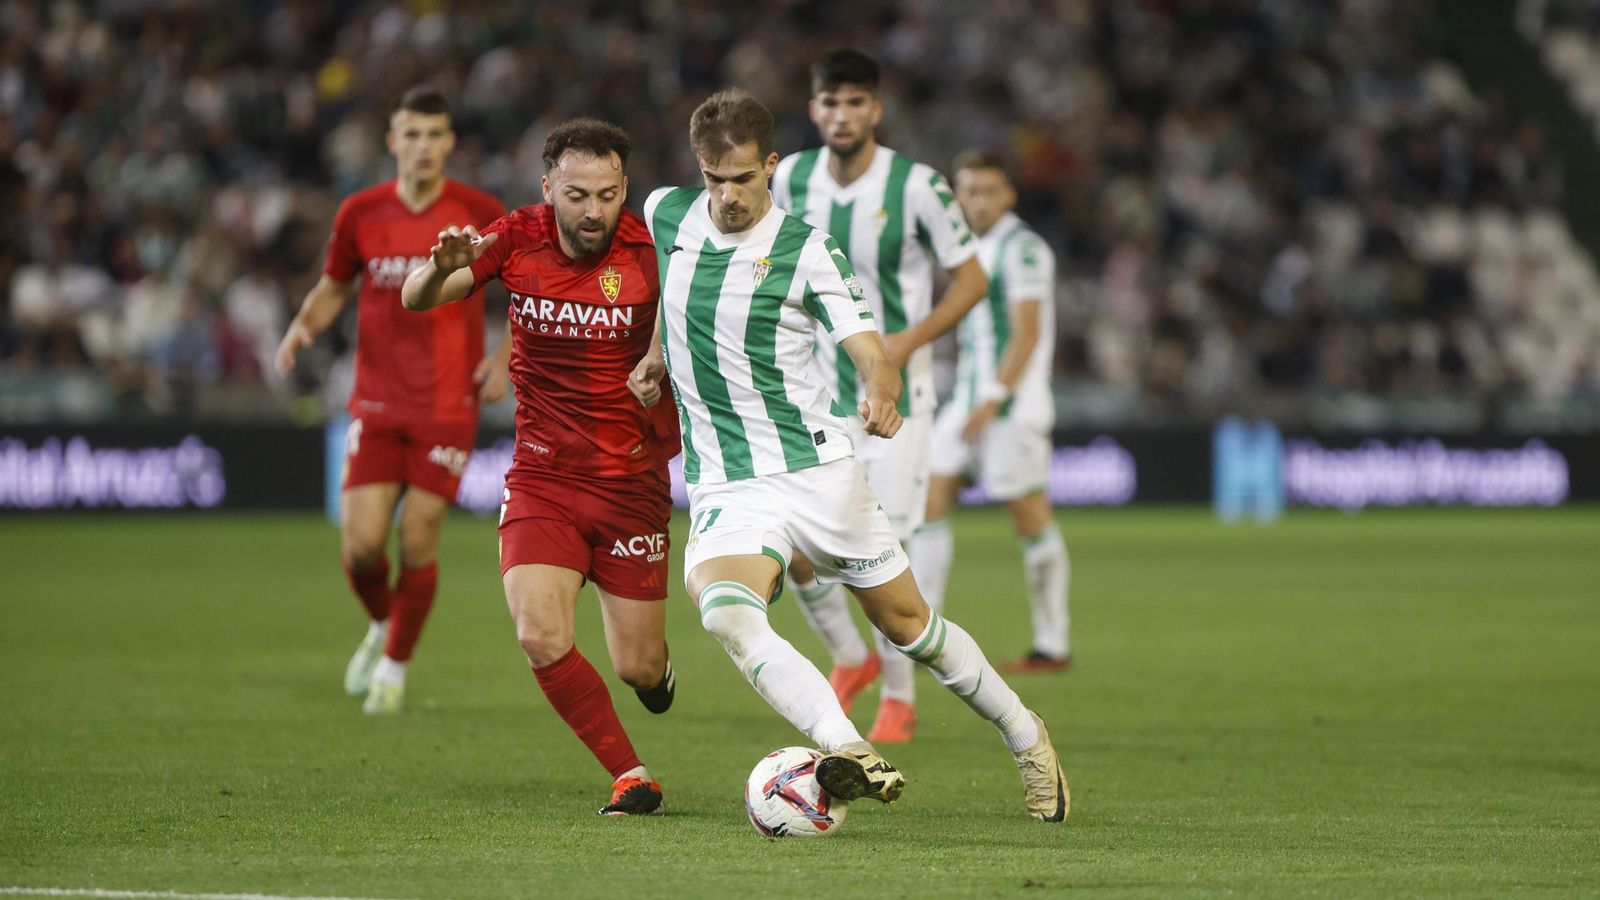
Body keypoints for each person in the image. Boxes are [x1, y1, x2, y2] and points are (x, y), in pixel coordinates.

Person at [631, 89, 1067, 822]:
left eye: (743, 178)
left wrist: (882, 391)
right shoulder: (663, 213)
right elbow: (669, 294)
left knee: (910, 629)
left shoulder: (807, 249)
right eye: (714, 179)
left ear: (771, 166)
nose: (729, 196)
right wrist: (654, 356)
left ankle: (1027, 736)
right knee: (725, 613)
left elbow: (871, 348)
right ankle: (847, 745)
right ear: (696, 169)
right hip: (728, 484)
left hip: (818, 473)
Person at [401, 119, 680, 817]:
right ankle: (630, 774)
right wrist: (441, 263)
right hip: (543, 477)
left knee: (637, 667)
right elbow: (416, 297)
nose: (593, 211)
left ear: (626, 191)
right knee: (538, 633)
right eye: (578, 194)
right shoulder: (515, 235)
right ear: (548, 187)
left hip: (631, 483)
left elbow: (690, 324)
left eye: (609, 195)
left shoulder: (652, 252)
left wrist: (660, 359)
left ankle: (658, 674)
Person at [771, 48, 990, 743]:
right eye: (829, 102)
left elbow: (972, 279)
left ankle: (899, 697)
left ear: (876, 109)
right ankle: (850, 656)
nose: (842, 115)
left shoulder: (917, 185)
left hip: (896, 400)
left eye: (855, 102)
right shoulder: (790, 178)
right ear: (814, 109)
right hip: (810, 392)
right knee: (795, 543)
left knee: (882, 552)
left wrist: (907, 340)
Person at [274, 85, 508, 715]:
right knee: (361, 547)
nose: (424, 147)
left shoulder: (477, 209)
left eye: (435, 135)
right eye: (412, 134)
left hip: (446, 404)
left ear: (450, 142)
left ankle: (396, 666)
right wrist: (302, 326)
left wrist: (505, 353)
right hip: (375, 401)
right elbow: (333, 286)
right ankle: (384, 625)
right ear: (393, 141)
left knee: (417, 538)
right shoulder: (361, 212)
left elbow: (531, 283)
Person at [916, 149, 1071, 672]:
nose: (977, 201)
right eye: (969, 190)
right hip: (967, 400)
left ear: (1009, 195)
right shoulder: (970, 247)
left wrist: (994, 399)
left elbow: (1025, 334)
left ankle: (1053, 642)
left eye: (988, 191)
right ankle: (922, 631)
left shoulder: (1023, 248)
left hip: (1011, 406)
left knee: (1029, 517)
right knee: (929, 500)